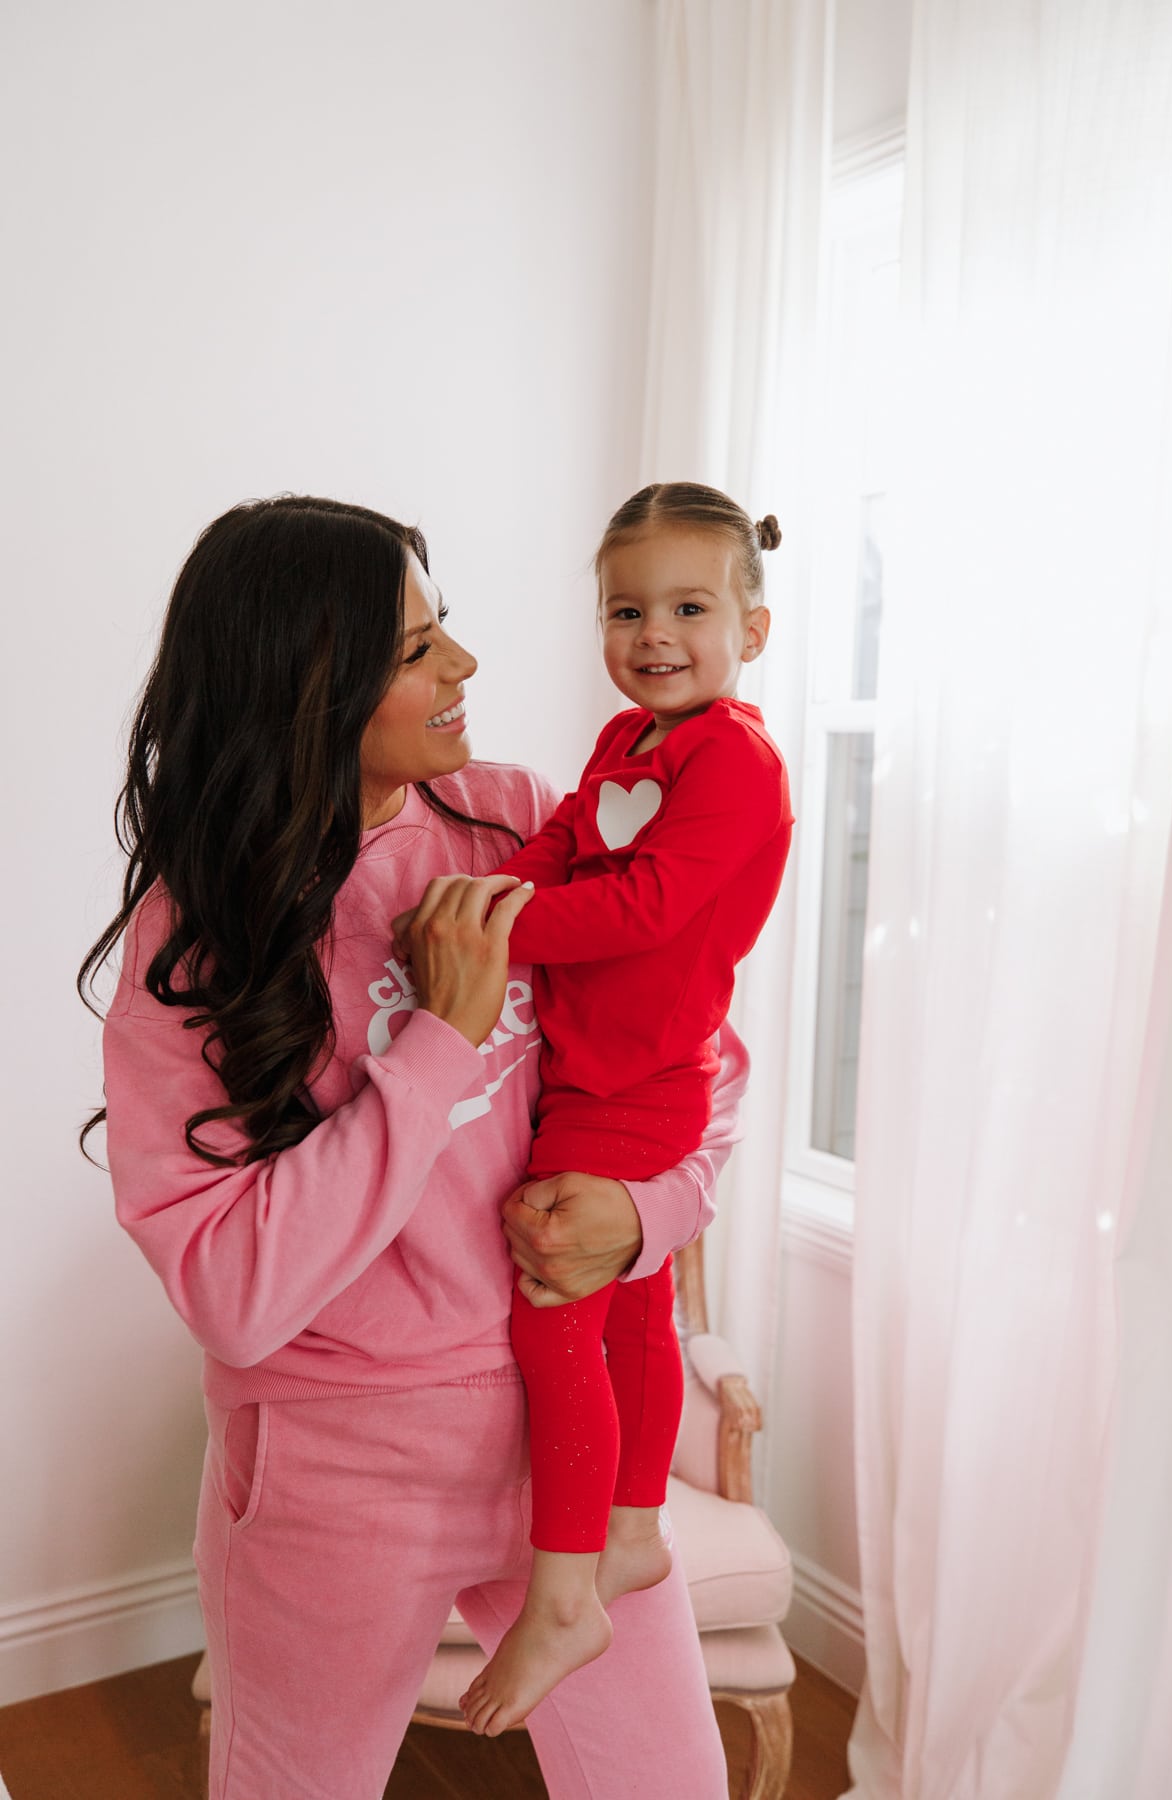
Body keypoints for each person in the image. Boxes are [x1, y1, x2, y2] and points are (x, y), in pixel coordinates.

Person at [78, 494, 748, 1800]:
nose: (466, 668)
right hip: (339, 1477)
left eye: (448, 630)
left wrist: (651, 1212)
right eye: (416, 649)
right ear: (307, 688)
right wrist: (436, 1042)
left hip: (576, 1441)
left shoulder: (525, 823)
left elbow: (703, 1062)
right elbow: (236, 1292)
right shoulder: (193, 936)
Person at [424, 482, 792, 1736]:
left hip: (637, 1080)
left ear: (752, 626)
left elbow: (642, 909)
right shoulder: (625, 748)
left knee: (555, 1320)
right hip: (598, 1061)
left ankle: (567, 1586)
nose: (654, 635)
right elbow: (571, 848)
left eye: (689, 607)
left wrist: (495, 929)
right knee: (634, 1307)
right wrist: (498, 887)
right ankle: (635, 1530)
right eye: (626, 609)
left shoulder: (735, 761)